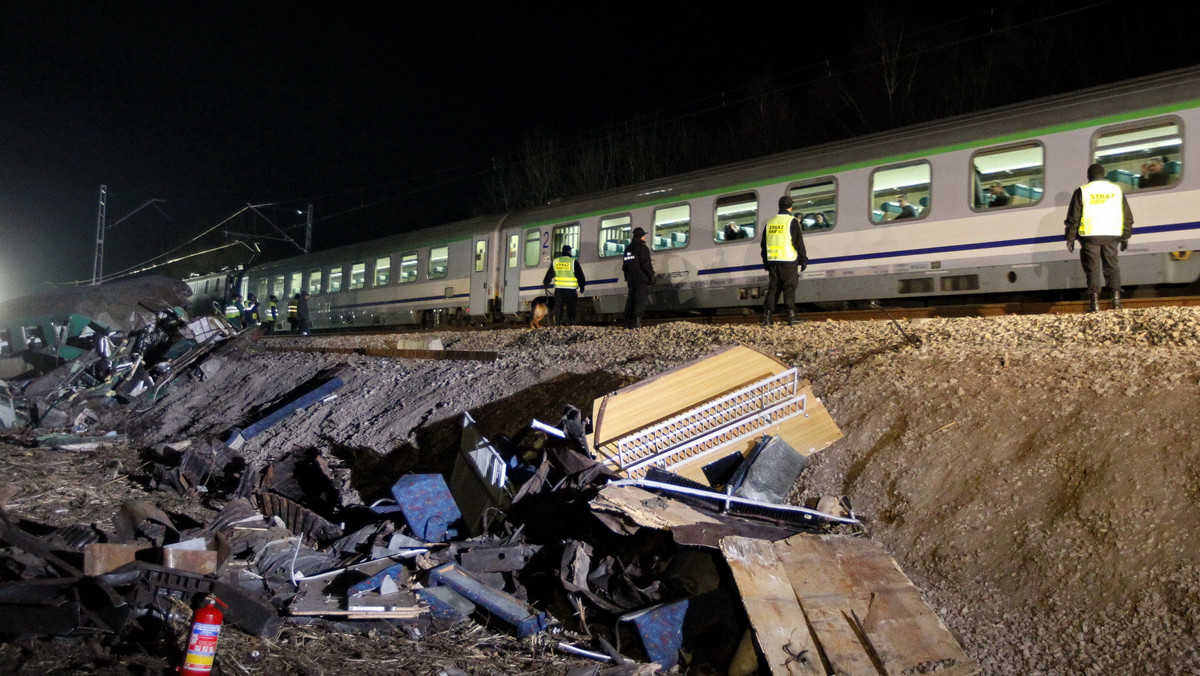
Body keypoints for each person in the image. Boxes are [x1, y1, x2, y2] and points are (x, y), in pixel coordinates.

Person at [1064, 163, 1133, 312]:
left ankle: (1094, 304)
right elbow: (1127, 215)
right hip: (1111, 234)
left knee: (1093, 268)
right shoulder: (1116, 190)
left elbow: (1074, 217)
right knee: (1112, 267)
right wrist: (1125, 236)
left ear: (1089, 176)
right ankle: (1116, 302)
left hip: (1090, 235)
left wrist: (1070, 238)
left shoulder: (1082, 191)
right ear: (1103, 175)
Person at [760, 195, 808, 326]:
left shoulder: (770, 222)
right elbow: (798, 242)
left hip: (773, 262)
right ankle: (791, 317)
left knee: (773, 289)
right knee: (789, 288)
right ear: (790, 207)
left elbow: (763, 244)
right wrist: (803, 259)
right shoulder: (791, 221)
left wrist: (765, 261)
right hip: (788, 260)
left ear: (779, 206)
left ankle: (767, 317)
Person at [542, 245, 586, 326]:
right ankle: (572, 322)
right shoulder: (573, 262)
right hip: (571, 289)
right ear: (569, 251)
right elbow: (580, 275)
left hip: (559, 289)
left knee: (558, 306)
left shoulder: (556, 261)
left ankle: (558, 322)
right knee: (571, 306)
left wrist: (546, 283)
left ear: (562, 251)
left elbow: (549, 274)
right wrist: (582, 286)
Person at [621, 227, 655, 329]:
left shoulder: (628, 249)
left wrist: (627, 277)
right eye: (644, 235)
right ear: (641, 236)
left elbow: (625, 267)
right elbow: (646, 264)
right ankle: (637, 322)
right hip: (641, 279)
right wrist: (651, 276)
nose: (645, 237)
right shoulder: (642, 248)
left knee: (631, 299)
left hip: (631, 279)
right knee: (640, 299)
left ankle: (628, 322)